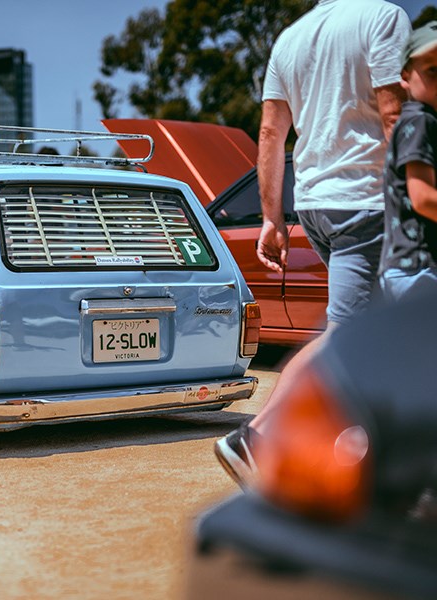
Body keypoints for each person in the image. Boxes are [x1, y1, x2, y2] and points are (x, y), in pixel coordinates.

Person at [214, 0, 411, 488]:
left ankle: (374, 447)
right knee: (346, 333)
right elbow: (394, 113)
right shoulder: (382, 18)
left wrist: (271, 218)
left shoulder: (291, 38)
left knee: (385, 330)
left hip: (317, 204)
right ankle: (258, 436)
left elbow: (270, 133)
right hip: (366, 203)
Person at [379, 22, 437, 303]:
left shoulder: (418, 120)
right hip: (420, 268)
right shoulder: (421, 120)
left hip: (407, 269)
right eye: (432, 71)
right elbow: (423, 197)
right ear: (405, 76)